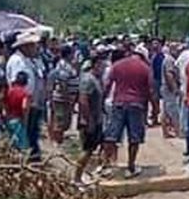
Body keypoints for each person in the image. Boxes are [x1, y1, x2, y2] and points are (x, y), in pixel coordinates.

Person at [103, 48, 156, 178]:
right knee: (134, 138)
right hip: (137, 105)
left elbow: (107, 85)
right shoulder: (145, 68)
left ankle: (105, 165)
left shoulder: (117, 65)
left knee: (112, 135)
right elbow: (151, 90)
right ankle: (131, 167)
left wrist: (102, 100)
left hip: (119, 103)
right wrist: (155, 107)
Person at [6, 32, 45, 161]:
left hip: (33, 103)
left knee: (32, 133)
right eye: (33, 45)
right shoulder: (17, 61)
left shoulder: (30, 60)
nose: (35, 48)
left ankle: (33, 159)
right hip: (23, 105)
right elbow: (16, 85)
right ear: (25, 46)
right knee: (25, 135)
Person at [75, 58, 106, 183]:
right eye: (101, 65)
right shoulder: (88, 80)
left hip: (97, 119)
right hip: (89, 121)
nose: (103, 68)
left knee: (99, 145)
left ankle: (93, 170)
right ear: (95, 65)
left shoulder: (96, 79)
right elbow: (83, 100)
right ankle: (77, 178)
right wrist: (88, 120)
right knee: (87, 149)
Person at [48, 46, 78, 144]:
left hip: (67, 98)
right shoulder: (63, 66)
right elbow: (62, 82)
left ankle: (58, 139)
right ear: (68, 54)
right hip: (62, 98)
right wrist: (67, 97)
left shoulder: (69, 65)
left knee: (65, 121)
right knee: (60, 120)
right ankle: (57, 141)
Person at [3, 71, 30, 150]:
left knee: (11, 143)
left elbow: (4, 104)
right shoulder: (25, 93)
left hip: (9, 119)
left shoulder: (9, 91)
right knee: (22, 145)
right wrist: (25, 119)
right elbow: (24, 107)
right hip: (18, 120)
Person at [159, 43, 181, 138]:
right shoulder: (169, 60)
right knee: (173, 110)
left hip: (166, 88)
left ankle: (165, 132)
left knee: (165, 111)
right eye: (177, 49)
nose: (179, 51)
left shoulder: (170, 59)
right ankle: (178, 131)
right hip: (169, 88)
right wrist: (174, 88)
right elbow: (169, 74)